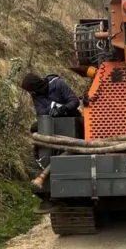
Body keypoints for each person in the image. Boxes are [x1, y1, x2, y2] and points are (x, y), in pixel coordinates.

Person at [19, 72, 81, 213]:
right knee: (36, 134)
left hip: (71, 122)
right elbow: (40, 112)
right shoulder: (36, 95)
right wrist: (50, 111)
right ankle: (44, 173)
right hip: (52, 128)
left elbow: (74, 101)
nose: (31, 93)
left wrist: (63, 109)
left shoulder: (58, 84)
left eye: (32, 90)